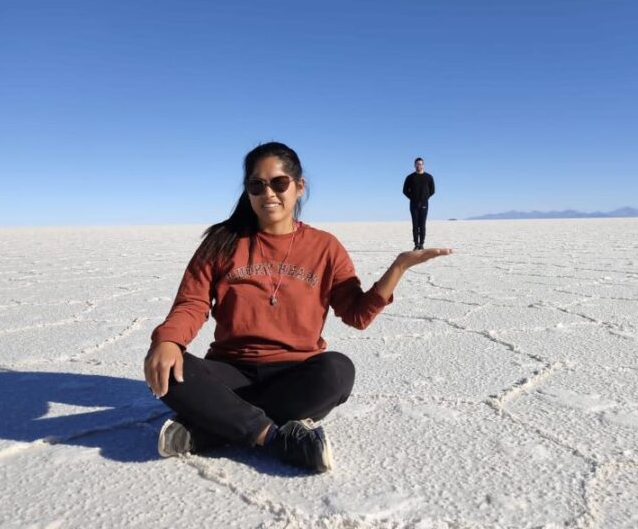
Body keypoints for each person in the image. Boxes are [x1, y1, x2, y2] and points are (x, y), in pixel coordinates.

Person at [144, 142, 452, 473]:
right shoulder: (222, 241)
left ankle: (209, 427)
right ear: (247, 190)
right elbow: (192, 302)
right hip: (231, 370)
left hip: (295, 374)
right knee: (172, 369)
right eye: (257, 185)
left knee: (337, 372)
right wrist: (169, 341)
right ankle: (272, 437)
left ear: (298, 186)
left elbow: (357, 314)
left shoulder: (324, 247)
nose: (268, 193)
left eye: (279, 183)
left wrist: (398, 268)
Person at [402, 157, 435, 250]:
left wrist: (425, 198)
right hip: (413, 204)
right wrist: (412, 198)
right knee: (415, 225)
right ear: (414, 165)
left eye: (420, 164)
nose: (419, 165)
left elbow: (432, 190)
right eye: (417, 164)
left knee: (422, 224)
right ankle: (416, 244)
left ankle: (422, 244)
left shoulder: (428, 177)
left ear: (423, 165)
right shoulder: (410, 177)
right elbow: (405, 190)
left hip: (424, 203)